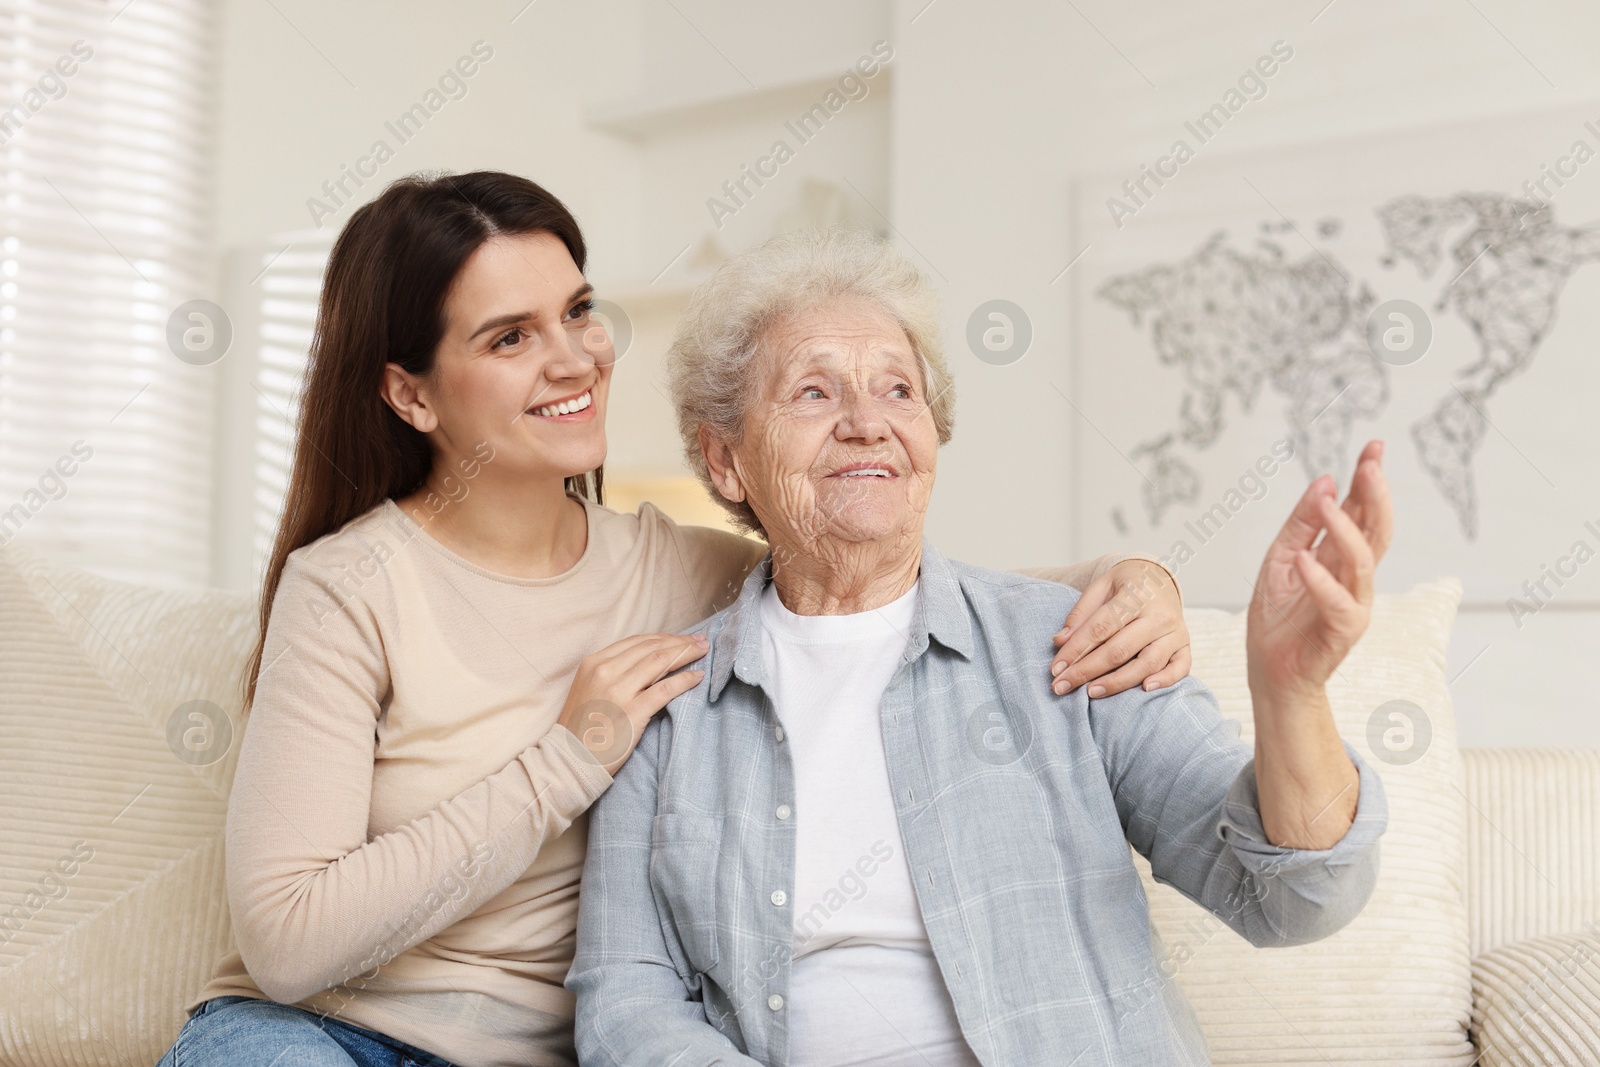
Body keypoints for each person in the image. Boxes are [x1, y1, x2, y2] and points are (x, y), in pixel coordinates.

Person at [154, 172, 1193, 1067]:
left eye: (579, 309)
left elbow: (894, 577)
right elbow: (286, 941)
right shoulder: (347, 585)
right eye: (511, 336)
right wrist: (568, 756)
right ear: (410, 395)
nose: (574, 358)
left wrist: (1136, 574)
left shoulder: (676, 567)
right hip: (317, 1035)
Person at [568, 228, 1395, 1066]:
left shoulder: (1074, 643)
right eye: (813, 393)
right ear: (725, 459)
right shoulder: (667, 704)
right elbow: (624, 1003)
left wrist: (1291, 694)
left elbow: (1290, 901)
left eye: (898, 390)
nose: (867, 424)